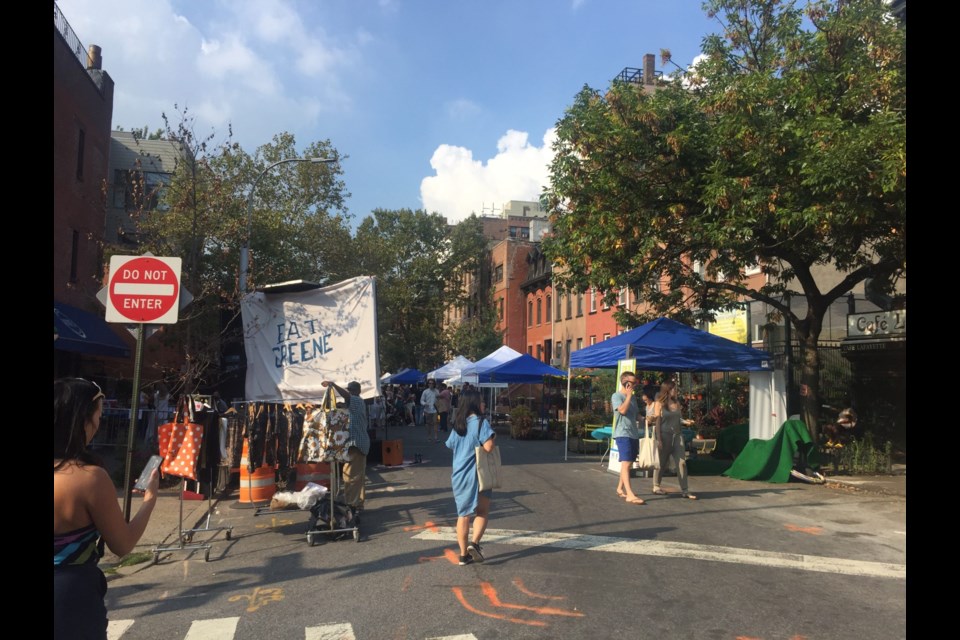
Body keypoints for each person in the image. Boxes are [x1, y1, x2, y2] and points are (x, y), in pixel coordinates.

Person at [55, 378, 160, 639]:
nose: (99, 424)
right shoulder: (89, 478)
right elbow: (122, 545)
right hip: (71, 598)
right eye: (98, 416)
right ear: (82, 420)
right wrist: (150, 499)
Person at [445, 388, 496, 566]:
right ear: (475, 403)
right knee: (482, 512)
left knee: (463, 515)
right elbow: (489, 447)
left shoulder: (459, 425)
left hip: (459, 475)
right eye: (482, 401)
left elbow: (450, 445)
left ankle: (462, 555)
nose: (484, 404)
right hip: (479, 474)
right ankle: (474, 544)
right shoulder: (481, 423)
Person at [321, 380, 371, 510]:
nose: (351, 393)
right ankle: (358, 502)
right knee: (358, 475)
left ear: (358, 391)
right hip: (359, 444)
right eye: (350, 390)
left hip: (356, 445)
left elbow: (348, 397)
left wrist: (334, 385)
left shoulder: (357, 401)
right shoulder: (353, 405)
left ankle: (351, 504)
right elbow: (347, 402)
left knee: (350, 476)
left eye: (353, 390)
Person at [651, 380, 697, 500]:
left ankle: (685, 490)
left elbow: (679, 419)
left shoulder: (677, 403)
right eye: (673, 389)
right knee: (661, 463)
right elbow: (657, 422)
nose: (675, 391)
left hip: (677, 436)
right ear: (667, 390)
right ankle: (656, 486)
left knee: (682, 463)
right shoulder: (659, 403)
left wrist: (686, 422)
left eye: (675, 389)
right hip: (664, 436)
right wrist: (659, 439)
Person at [611, 371, 645, 505]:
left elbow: (635, 414)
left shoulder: (633, 398)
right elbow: (623, 411)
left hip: (633, 433)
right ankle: (630, 494)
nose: (634, 385)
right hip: (622, 433)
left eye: (635, 382)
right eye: (632, 382)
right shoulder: (616, 396)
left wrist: (644, 419)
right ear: (625, 383)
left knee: (629, 462)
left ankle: (620, 488)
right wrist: (629, 396)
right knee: (625, 462)